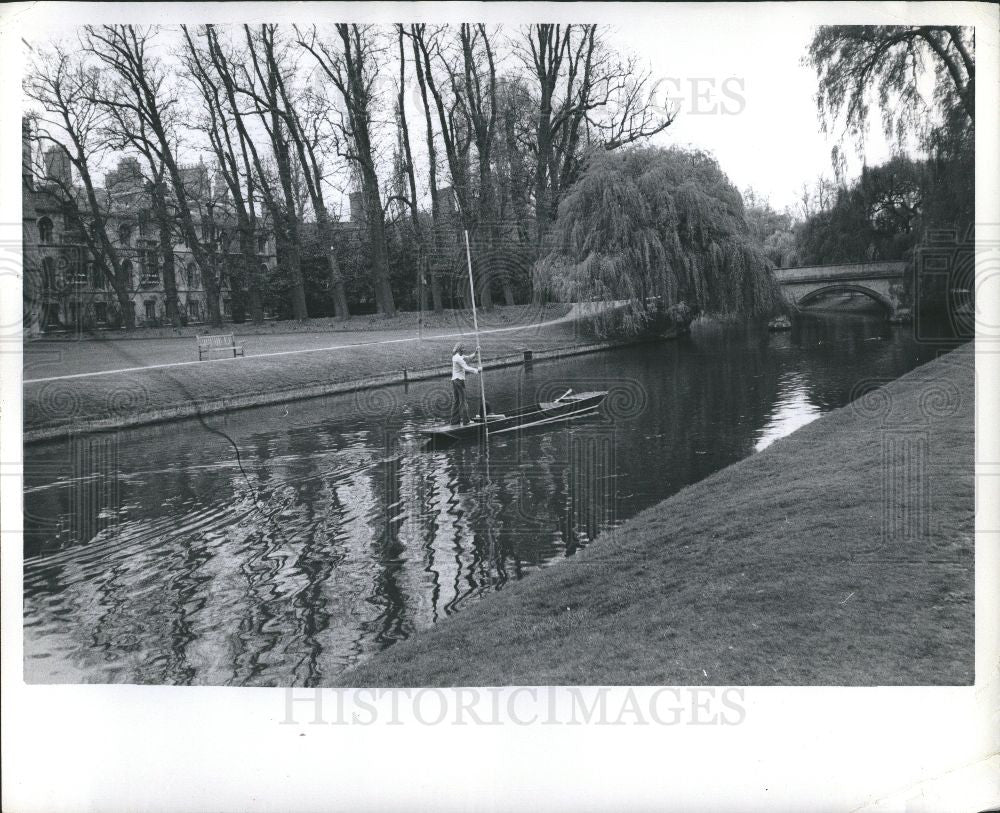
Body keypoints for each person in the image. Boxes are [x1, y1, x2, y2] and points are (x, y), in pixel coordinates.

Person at [450, 342, 481, 425]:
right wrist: (477, 370)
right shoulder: (458, 358)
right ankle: (466, 421)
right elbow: (466, 367)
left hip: (454, 380)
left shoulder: (458, 356)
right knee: (463, 401)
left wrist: (476, 353)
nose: (465, 350)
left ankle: (454, 421)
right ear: (460, 349)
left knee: (456, 401)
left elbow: (468, 358)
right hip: (459, 381)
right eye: (463, 348)